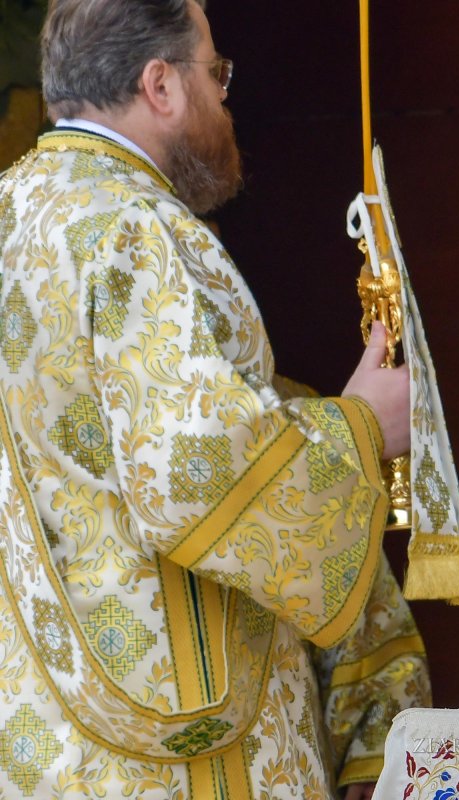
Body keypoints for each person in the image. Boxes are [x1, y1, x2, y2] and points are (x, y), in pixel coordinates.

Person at [0, 1, 430, 798]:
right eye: (216, 73)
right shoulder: (134, 226)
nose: (224, 97)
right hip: (178, 757)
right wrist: (362, 426)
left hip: (41, 742)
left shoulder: (12, 214)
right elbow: (195, 470)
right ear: (160, 85)